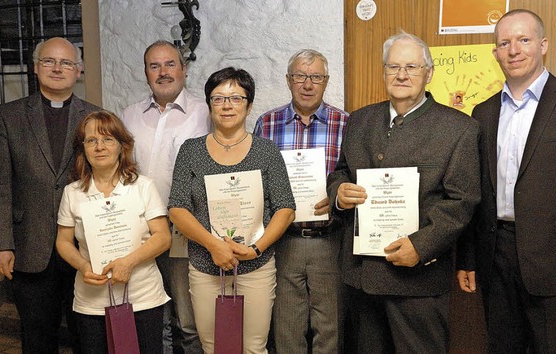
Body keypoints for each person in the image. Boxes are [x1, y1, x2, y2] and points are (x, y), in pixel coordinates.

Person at [456, 9, 556, 353]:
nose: (514, 50)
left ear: (542, 45)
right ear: (495, 52)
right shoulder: (482, 113)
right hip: (494, 258)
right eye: (504, 42)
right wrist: (467, 258)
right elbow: (477, 193)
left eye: (524, 40)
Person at [326, 31, 480, 353]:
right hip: (361, 277)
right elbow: (341, 171)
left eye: (411, 66)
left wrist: (421, 246)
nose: (401, 75)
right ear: (383, 72)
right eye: (393, 66)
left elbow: (462, 200)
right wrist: (339, 192)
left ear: (429, 72)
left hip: (418, 281)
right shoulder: (360, 120)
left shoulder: (459, 128)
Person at [169, 67, 296, 353]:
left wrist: (255, 249)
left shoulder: (266, 150)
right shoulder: (190, 151)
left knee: (253, 348)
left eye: (236, 98)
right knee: (214, 347)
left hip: (255, 266)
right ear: (209, 105)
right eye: (218, 98)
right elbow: (177, 208)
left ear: (249, 106)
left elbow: (285, 208)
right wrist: (214, 246)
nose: (227, 105)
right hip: (205, 265)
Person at [0, 37, 100, 353]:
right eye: (49, 61)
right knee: (37, 340)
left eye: (66, 63)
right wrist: (0, 244)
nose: (57, 68)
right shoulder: (9, 116)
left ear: (78, 71)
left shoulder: (95, 117)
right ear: (36, 67)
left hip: (85, 248)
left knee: (89, 338)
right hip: (30, 247)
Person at [253, 49, 348, 354]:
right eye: (300, 76)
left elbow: (355, 176)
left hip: (330, 239)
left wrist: (337, 196)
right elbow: (255, 179)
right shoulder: (266, 124)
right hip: (284, 241)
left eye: (316, 77)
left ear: (326, 81)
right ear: (288, 80)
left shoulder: (347, 123)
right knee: (287, 329)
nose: (308, 84)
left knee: (329, 329)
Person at [55, 110, 171, 353]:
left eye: (108, 139)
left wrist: (128, 262)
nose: (100, 146)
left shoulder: (143, 187)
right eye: (91, 140)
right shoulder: (73, 192)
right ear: (83, 149)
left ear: (122, 146)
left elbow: (162, 237)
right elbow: (64, 242)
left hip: (142, 297)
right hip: (91, 301)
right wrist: (83, 266)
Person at [121, 40, 210, 354]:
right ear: (145, 73)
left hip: (185, 233)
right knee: (149, 318)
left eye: (170, 64)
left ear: (184, 69)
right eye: (154, 66)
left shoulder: (206, 113)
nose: (163, 72)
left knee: (188, 320)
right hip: (139, 233)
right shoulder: (128, 116)